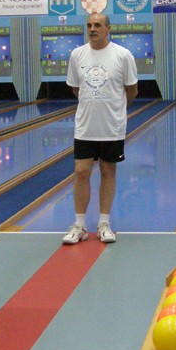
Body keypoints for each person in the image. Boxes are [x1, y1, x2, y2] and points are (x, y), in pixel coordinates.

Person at [62, 12, 138, 244]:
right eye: (89, 25)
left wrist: (115, 109)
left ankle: (104, 223)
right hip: (85, 126)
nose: (92, 29)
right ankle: (79, 226)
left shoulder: (123, 55)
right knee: (81, 172)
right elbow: (76, 88)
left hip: (111, 127)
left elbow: (132, 90)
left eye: (97, 25)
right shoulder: (77, 55)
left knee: (107, 171)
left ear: (108, 29)